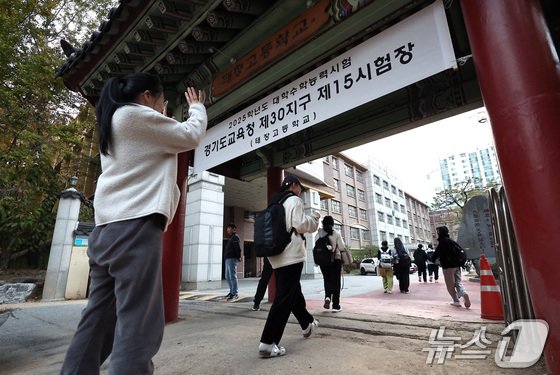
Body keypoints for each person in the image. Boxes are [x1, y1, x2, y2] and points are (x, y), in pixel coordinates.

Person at [60, 72, 207, 374]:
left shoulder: (115, 121)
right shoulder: (136, 117)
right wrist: (197, 107)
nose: (161, 110)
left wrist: (159, 117)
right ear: (147, 97)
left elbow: (157, 148)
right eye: (161, 102)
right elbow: (191, 135)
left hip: (105, 231)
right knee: (138, 323)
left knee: (98, 319)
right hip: (135, 228)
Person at [258, 175, 320, 358]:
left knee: (292, 293)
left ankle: (307, 324)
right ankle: (268, 342)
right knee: (284, 298)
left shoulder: (275, 202)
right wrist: (314, 219)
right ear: (293, 186)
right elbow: (300, 225)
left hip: (276, 256)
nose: (301, 191)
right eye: (300, 187)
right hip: (291, 255)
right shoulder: (294, 200)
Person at [431, 225, 471, 308]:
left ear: (440, 232)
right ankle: (463, 293)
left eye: (438, 231)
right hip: (457, 265)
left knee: (450, 285)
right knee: (458, 282)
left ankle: (456, 301)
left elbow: (435, 255)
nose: (437, 233)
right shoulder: (451, 241)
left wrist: (431, 259)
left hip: (448, 266)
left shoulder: (442, 242)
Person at [317, 215, 346, 312]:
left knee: (327, 280)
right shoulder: (336, 234)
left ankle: (327, 297)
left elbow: (317, 248)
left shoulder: (319, 234)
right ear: (332, 224)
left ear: (323, 224)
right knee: (336, 283)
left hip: (323, 262)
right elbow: (342, 248)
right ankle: (335, 306)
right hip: (335, 261)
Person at [224, 223, 242, 301]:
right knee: (227, 276)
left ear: (234, 229)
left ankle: (235, 293)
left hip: (232, 259)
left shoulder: (235, 237)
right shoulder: (231, 238)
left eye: (229, 228)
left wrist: (238, 257)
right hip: (228, 259)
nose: (228, 230)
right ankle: (231, 291)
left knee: (232, 276)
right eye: (227, 228)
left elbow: (237, 248)